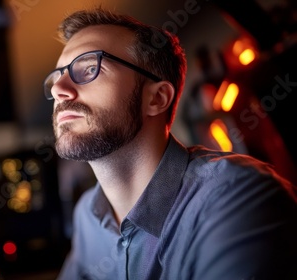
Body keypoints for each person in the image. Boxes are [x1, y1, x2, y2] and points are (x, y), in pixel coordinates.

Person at [43, 7, 297, 280]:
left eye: (91, 68)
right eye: (58, 76)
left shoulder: (239, 198)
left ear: (157, 98)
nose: (59, 89)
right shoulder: (88, 215)